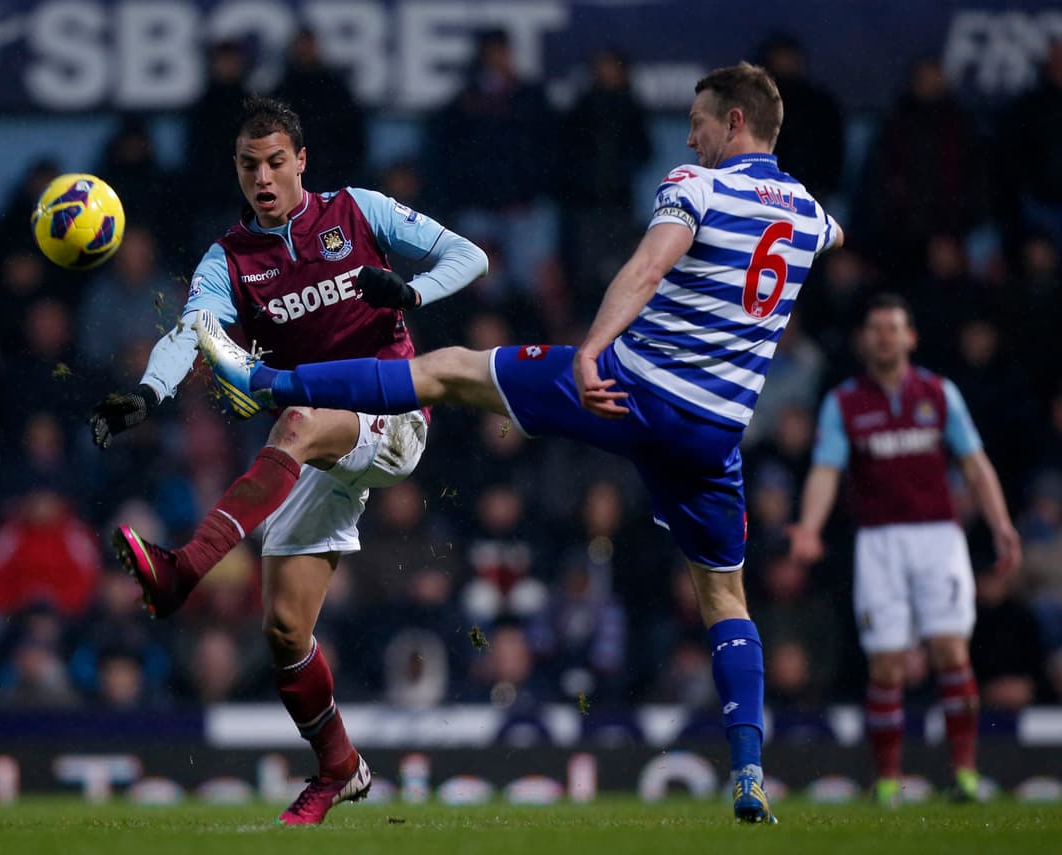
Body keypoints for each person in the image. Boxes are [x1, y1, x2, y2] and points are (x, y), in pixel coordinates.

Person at [195, 62, 843, 823]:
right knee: (724, 596)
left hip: (632, 389)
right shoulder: (808, 212)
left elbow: (647, 265)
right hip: (715, 432)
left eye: (701, 120)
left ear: (735, 123)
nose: (691, 134)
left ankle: (268, 383)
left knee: (445, 371)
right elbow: (830, 237)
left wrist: (593, 346)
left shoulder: (695, 186)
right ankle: (748, 773)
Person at [88, 95, 488, 825]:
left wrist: (412, 289)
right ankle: (340, 766)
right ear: (237, 172)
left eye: (276, 161)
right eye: (250, 166)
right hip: (322, 448)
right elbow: (195, 332)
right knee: (284, 632)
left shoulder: (359, 212)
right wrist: (147, 391)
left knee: (295, 419)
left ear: (301, 159)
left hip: (394, 414)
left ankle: (182, 569)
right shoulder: (230, 259)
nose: (264, 177)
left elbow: (472, 255)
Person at [786, 293, 1021, 806]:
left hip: (939, 536)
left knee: (951, 654)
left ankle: (963, 776)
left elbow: (975, 464)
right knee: (887, 665)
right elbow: (826, 469)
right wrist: (808, 527)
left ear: (910, 337)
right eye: (876, 328)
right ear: (864, 339)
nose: (885, 336)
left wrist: (1001, 523)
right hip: (879, 543)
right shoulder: (844, 402)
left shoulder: (938, 394)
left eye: (894, 328)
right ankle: (888, 782)